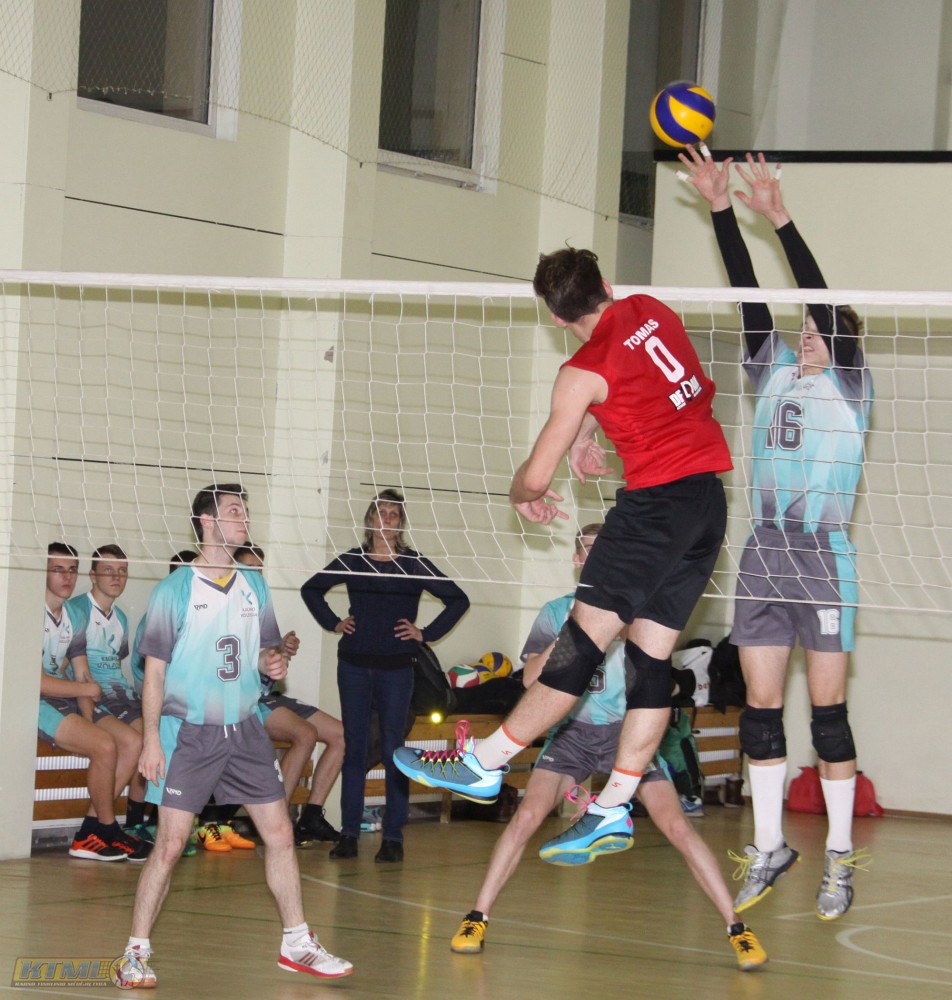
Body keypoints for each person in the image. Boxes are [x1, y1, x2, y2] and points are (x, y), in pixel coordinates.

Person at [395, 248, 732, 864]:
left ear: (554, 316)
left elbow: (535, 477)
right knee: (650, 660)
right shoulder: (649, 308)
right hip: (707, 503)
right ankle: (612, 807)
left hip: (654, 508)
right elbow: (646, 382)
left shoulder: (581, 373)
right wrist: (586, 431)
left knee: (580, 644)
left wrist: (521, 492)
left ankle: (486, 761)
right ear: (606, 284)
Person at [677, 144, 873, 920]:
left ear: (843, 339)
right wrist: (722, 209)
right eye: (806, 329)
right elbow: (748, 298)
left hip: (823, 559)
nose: (809, 333)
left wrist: (781, 218)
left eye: (821, 328)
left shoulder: (851, 384)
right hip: (763, 554)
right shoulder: (777, 370)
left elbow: (817, 296)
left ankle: (839, 856)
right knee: (761, 709)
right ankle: (768, 846)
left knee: (827, 717)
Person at [450, 524, 767, 971]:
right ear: (578, 559)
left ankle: (737, 928)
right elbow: (530, 679)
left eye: (606, 550)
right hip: (573, 734)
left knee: (677, 828)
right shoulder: (558, 611)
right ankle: (476, 917)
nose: (597, 556)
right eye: (589, 549)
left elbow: (663, 682)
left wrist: (623, 631)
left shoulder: (642, 613)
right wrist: (575, 633)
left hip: (626, 737)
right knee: (527, 816)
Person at [116, 485, 352, 986]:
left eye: (245, 510)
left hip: (245, 729)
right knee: (171, 844)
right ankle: (134, 953)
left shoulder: (253, 585)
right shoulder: (174, 591)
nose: (244, 518)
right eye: (233, 511)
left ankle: (297, 943)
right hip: (188, 734)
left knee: (280, 833)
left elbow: (266, 653)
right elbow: (153, 673)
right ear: (206, 522)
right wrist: (152, 740)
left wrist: (273, 663)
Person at [301, 489, 470, 863]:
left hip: (397, 668)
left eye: (394, 514)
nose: (387, 519)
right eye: (382, 512)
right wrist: (334, 622)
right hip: (354, 666)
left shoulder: (413, 564)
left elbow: (458, 600)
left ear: (401, 523)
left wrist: (426, 633)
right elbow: (311, 589)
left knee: (395, 749)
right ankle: (348, 834)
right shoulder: (353, 560)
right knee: (355, 747)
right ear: (370, 519)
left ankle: (393, 836)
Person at [39, 543, 145, 862]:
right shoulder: (32, 611)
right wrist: (83, 691)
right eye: (58, 569)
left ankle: (91, 831)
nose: (66, 577)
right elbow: (35, 681)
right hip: (37, 700)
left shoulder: (72, 615)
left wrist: (88, 715)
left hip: (69, 697)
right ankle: (106, 828)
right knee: (105, 746)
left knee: (131, 742)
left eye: (71, 570)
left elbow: (82, 671)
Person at [235, 544, 344, 847]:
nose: (255, 575)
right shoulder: (226, 609)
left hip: (269, 694)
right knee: (305, 734)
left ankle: (311, 817)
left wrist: (282, 649)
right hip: (245, 700)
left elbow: (268, 662)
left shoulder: (260, 608)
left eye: (259, 569)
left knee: (342, 735)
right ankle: (276, 823)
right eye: (248, 569)